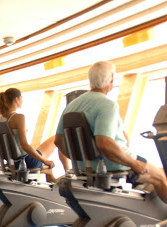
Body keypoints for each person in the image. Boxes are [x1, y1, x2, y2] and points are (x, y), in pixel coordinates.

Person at [54, 61, 167, 202]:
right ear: (111, 79)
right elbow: (104, 143)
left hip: (85, 167)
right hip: (113, 163)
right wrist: (133, 163)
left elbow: (58, 140)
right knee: (161, 176)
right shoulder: (107, 105)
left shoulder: (71, 105)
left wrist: (82, 158)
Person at [0, 87, 69, 182]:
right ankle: (68, 173)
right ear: (16, 99)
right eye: (21, 98)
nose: (22, 101)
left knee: (47, 167)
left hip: (14, 162)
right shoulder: (19, 117)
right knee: (59, 138)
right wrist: (45, 160)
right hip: (26, 161)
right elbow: (25, 145)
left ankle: (52, 179)